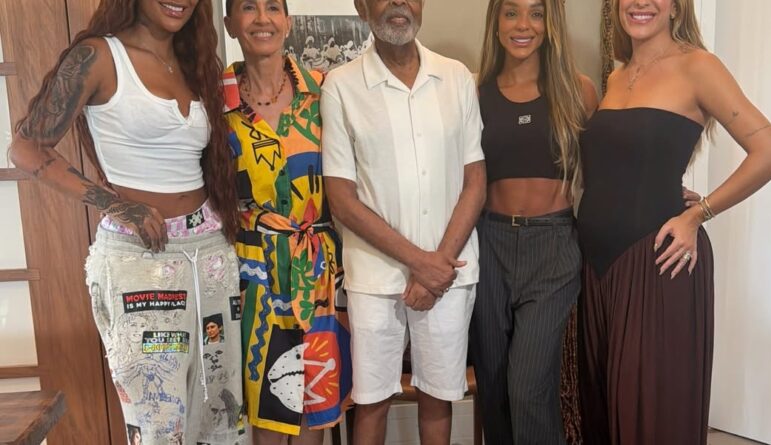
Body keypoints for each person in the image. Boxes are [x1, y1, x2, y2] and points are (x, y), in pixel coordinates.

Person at [8, 0, 245, 443]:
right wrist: (118, 206)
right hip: (141, 261)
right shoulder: (99, 56)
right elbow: (25, 148)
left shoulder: (192, 60)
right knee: (158, 419)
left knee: (221, 412)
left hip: (210, 254)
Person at [577, 1, 771, 444]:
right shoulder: (616, 76)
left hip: (657, 261)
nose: (640, 3)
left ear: (676, 7)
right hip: (596, 270)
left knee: (649, 413)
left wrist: (700, 211)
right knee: (605, 412)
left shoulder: (699, 67)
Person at [321, 0, 486, 443]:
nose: (398, 3)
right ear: (362, 7)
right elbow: (342, 199)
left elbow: (475, 181)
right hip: (375, 277)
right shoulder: (340, 86)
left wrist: (437, 265)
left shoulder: (456, 77)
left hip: (449, 272)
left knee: (438, 397)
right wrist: (420, 263)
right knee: (372, 401)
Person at [468, 0, 598, 443]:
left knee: (527, 387)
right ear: (496, 22)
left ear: (550, 23)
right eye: (511, 13)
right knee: (493, 386)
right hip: (488, 243)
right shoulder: (475, 93)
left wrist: (667, 192)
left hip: (553, 247)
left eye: (536, 13)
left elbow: (610, 169)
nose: (523, 25)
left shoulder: (578, 92)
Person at [222, 0, 352, 443]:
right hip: (252, 274)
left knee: (313, 409)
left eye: (273, 7)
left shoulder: (325, 90)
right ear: (229, 24)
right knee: (268, 410)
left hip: (318, 272)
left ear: (288, 21)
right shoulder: (215, 101)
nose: (263, 18)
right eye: (249, 7)